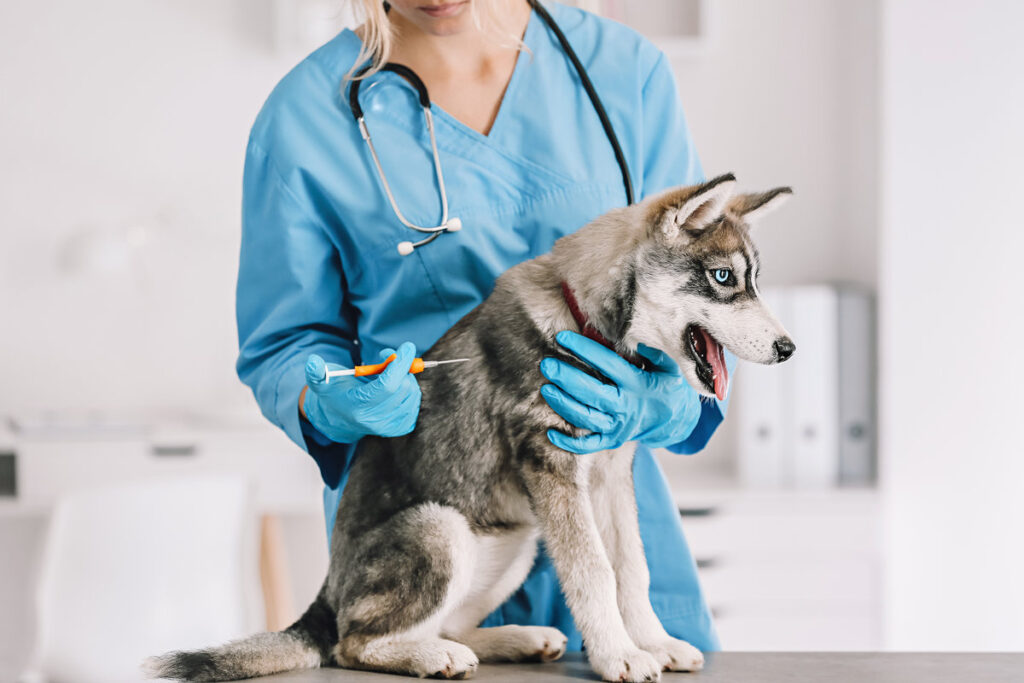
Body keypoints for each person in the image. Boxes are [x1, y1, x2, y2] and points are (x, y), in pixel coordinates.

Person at [237, 0, 734, 653]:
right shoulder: (305, 117)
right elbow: (283, 341)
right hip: (431, 517)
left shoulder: (622, 71)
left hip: (609, 511)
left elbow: (698, 289)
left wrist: (666, 402)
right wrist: (330, 397)